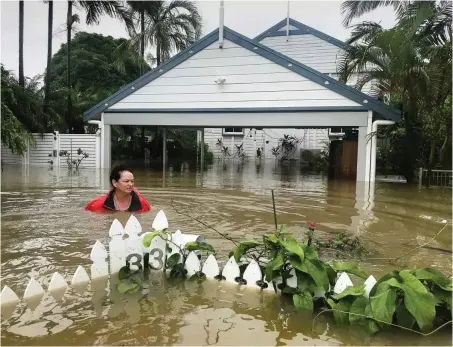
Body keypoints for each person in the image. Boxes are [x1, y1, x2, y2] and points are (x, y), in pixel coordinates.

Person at [85, 165, 151, 213]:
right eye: (126, 181)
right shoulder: (97, 204)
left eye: (132, 181)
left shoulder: (143, 204)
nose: (131, 184)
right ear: (115, 183)